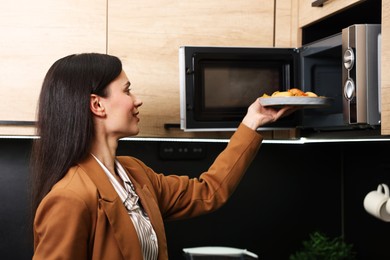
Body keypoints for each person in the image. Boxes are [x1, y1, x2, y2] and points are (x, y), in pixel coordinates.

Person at [30, 53, 295, 260]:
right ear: (97, 104)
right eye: (127, 90)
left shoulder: (134, 174)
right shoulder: (70, 197)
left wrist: (253, 121)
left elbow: (208, 192)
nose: (137, 100)